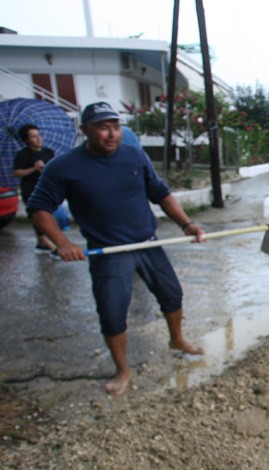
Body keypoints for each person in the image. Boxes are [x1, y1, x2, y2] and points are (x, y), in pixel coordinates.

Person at [26, 102, 205, 396]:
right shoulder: (64, 167)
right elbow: (38, 209)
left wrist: (187, 224)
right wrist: (64, 243)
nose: (111, 134)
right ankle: (123, 370)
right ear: (84, 130)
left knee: (172, 294)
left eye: (116, 126)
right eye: (103, 127)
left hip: (148, 243)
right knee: (112, 314)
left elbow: (160, 193)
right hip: (108, 252)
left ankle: (177, 339)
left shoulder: (134, 155)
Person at [12, 124, 57, 253]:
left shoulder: (48, 152)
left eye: (38, 135)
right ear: (26, 140)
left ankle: (41, 244)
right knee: (37, 215)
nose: (38, 138)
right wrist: (33, 168)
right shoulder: (23, 154)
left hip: (48, 188)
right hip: (30, 189)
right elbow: (16, 172)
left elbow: (54, 168)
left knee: (49, 215)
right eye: (33, 136)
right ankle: (48, 244)